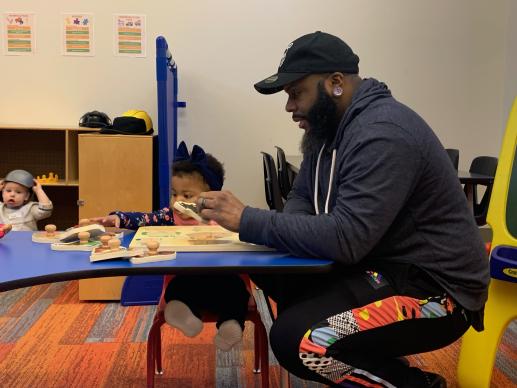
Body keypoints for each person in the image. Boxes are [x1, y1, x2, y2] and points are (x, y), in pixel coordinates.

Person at [196, 31, 489, 387]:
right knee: (275, 272)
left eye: (296, 93)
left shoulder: (383, 132)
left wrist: (247, 219)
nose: (289, 107)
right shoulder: (327, 132)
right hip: (380, 264)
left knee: (299, 341)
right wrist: (297, 235)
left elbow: (347, 238)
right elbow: (302, 197)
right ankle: (363, 351)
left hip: (436, 292)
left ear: (335, 83)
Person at [89, 141, 250, 351]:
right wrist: (119, 218)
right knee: (177, 288)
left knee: (237, 292)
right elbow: (144, 218)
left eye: (187, 195)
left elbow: (247, 235)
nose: (177, 202)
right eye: (174, 194)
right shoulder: (169, 216)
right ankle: (181, 314)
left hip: (222, 283)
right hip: (188, 285)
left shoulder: (224, 218)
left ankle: (230, 324)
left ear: (212, 196)